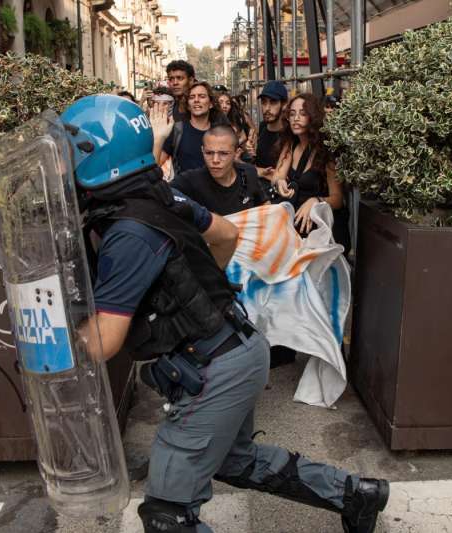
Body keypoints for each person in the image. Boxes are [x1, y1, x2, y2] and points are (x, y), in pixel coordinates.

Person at [62, 94, 389, 533]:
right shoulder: (160, 197)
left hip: (214, 364)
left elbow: (103, 342)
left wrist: (45, 338)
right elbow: (225, 234)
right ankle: (356, 495)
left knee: (167, 515)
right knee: (235, 460)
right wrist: (200, 290)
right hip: (236, 344)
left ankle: (354, 496)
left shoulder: (127, 232)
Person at [273, 93, 344, 237]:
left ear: (313, 117)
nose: (296, 118)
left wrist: (315, 201)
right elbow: (276, 177)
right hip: (293, 226)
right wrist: (279, 182)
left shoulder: (326, 151)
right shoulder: (291, 145)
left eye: (303, 113)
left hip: (320, 230)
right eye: (292, 114)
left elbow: (338, 199)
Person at [170, 124, 267, 216]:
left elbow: (266, 206)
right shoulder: (191, 180)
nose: (215, 160)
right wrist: (159, 139)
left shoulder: (248, 173)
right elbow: (158, 195)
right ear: (202, 151)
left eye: (223, 153)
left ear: (236, 153)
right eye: (209, 153)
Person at [155, 81, 228, 175]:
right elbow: (155, 165)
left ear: (211, 104)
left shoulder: (221, 132)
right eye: (192, 97)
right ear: (188, 105)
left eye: (202, 96)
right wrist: (158, 138)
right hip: (182, 188)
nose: (196, 100)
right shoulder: (177, 130)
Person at [254, 81, 288, 181]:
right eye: (264, 102)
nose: (267, 108)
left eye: (273, 102)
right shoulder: (262, 127)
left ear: (284, 104)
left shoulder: (289, 133)